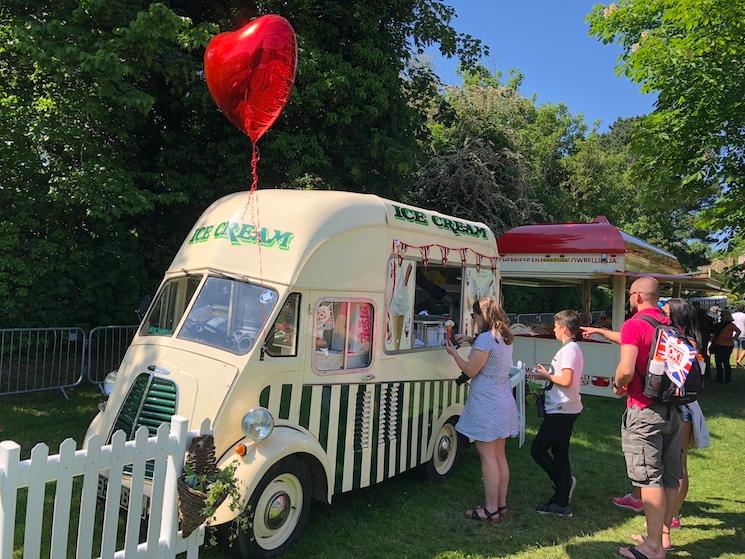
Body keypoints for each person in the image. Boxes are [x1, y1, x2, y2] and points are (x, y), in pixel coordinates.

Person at [613, 277, 682, 559]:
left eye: (630, 294)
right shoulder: (671, 325)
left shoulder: (634, 325)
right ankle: (660, 535)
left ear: (638, 296)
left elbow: (626, 369)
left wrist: (618, 383)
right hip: (673, 410)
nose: (630, 299)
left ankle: (652, 548)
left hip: (644, 409)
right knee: (668, 476)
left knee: (648, 479)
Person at [444, 297, 519, 523]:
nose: (472, 319)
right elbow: (488, 350)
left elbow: (471, 369)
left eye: (474, 316)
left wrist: (454, 353)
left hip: (487, 403)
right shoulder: (504, 337)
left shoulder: (485, 340)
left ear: (481, 316)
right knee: (499, 456)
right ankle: (501, 505)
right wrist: (470, 339)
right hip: (503, 400)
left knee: (487, 457)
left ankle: (490, 509)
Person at [530, 310, 584, 517]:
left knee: (538, 450)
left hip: (562, 409)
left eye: (555, 326)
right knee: (560, 453)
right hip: (566, 407)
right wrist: (549, 374)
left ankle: (564, 485)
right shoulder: (571, 349)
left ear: (563, 327)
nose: (553, 329)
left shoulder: (569, 350)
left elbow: (567, 380)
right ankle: (561, 501)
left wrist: (546, 375)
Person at [709, 309, 741, 383]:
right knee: (718, 362)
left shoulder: (730, 325)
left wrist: (733, 338)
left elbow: (738, 331)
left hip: (727, 345)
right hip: (718, 344)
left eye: (722, 315)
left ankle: (727, 379)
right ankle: (719, 378)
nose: (721, 317)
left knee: (726, 362)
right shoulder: (719, 324)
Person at [692, 302, 713, 379]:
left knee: (698, 354)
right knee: (703, 354)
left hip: (698, 337)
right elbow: (712, 329)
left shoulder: (694, 318)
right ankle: (706, 371)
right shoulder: (708, 318)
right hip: (704, 337)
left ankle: (700, 371)